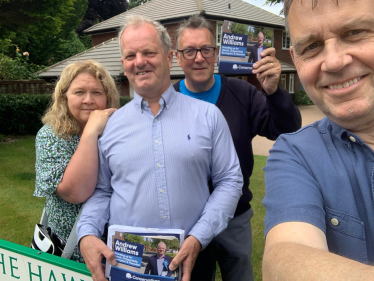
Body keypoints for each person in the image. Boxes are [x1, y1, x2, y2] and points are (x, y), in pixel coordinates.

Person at [77, 14, 243, 281]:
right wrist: (86, 233)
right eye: (130, 56)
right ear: (123, 64)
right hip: (127, 263)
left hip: (193, 259)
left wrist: (199, 237)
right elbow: (102, 190)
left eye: (149, 52)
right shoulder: (110, 126)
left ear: (169, 57)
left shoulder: (208, 116)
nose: (139, 61)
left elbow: (229, 181)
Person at [174, 15, 301, 281]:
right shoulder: (167, 101)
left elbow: (285, 129)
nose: (199, 57)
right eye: (189, 51)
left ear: (216, 53)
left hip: (235, 217)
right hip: (188, 221)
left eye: (206, 49)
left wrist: (274, 92)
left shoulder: (242, 93)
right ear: (178, 57)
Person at [263, 0, 374, 280]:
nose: (335, 62)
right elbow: (285, 257)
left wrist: (275, 93)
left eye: (355, 32)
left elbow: (281, 122)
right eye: (311, 46)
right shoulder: (296, 154)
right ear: (295, 56)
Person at [34, 60, 120, 262]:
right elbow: (75, 193)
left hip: (117, 246)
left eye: (97, 93)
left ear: (108, 97)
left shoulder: (118, 133)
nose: (88, 100)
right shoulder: (51, 136)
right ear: (64, 96)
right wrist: (91, 132)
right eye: (79, 92)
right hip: (68, 251)